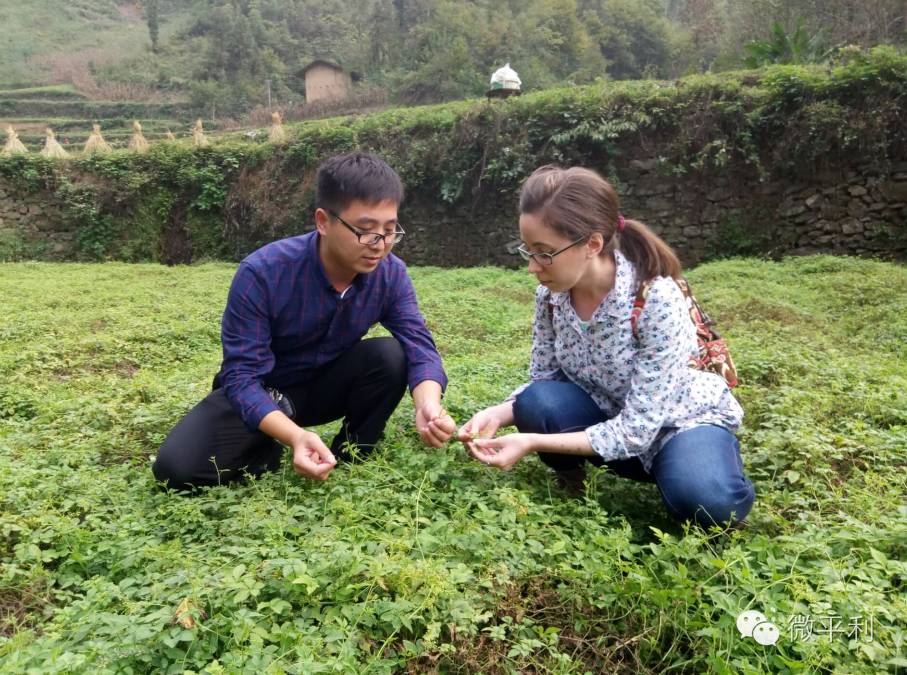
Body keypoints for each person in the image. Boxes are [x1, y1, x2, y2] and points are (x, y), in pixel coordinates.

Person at [458, 165, 755, 528]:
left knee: (708, 502)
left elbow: (637, 429)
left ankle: (700, 466)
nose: (533, 267)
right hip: (607, 415)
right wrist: (499, 413)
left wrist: (531, 442)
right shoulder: (551, 298)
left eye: (545, 253)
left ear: (593, 244)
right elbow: (545, 379)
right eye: (528, 251)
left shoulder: (655, 298)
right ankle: (572, 484)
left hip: (676, 424)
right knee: (537, 400)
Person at [153, 152, 456, 491]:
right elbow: (241, 375)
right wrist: (295, 436)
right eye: (366, 231)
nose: (380, 245)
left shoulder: (390, 275)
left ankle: (354, 452)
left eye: (390, 231)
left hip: (324, 386)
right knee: (176, 471)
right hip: (264, 391)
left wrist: (428, 404)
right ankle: (268, 445)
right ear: (324, 221)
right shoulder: (263, 273)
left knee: (389, 355)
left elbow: (419, 345)